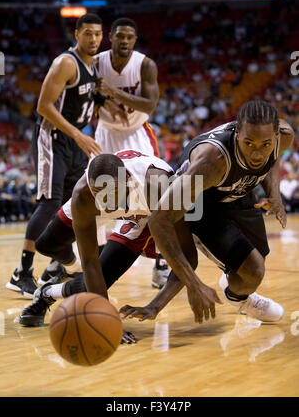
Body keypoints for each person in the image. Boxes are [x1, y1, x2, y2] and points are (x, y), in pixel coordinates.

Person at [119, 100, 295, 324]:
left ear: (277, 135)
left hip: (238, 191)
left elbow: (273, 159)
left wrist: (275, 195)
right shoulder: (211, 162)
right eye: (249, 143)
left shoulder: (284, 135)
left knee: (255, 266)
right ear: (237, 132)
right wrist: (191, 287)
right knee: (253, 270)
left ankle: (235, 288)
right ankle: (242, 300)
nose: (257, 154)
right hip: (202, 201)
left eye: (265, 144)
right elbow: (159, 220)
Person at [6, 14, 127, 298]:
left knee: (74, 205)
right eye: (88, 33)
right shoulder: (66, 63)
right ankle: (21, 273)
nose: (94, 39)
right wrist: (78, 135)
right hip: (54, 137)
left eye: (98, 34)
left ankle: (56, 265)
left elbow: (86, 96)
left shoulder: (92, 65)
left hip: (75, 140)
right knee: (49, 203)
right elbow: (44, 106)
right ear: (76, 34)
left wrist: (108, 103)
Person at [18, 150, 182, 343]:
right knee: (46, 245)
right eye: (101, 194)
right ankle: (71, 269)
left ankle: (48, 293)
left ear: (125, 181)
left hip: (140, 212)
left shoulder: (157, 183)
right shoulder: (85, 193)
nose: (107, 202)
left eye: (110, 194)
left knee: (98, 279)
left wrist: (107, 321)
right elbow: (89, 261)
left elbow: (185, 253)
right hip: (104, 194)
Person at [93, 17, 169, 289]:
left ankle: (161, 262)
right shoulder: (95, 62)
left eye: (130, 37)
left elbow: (149, 104)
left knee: (155, 199)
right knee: (97, 198)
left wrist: (111, 92)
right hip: (104, 134)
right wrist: (101, 101)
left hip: (137, 134)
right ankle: (101, 258)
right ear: (110, 36)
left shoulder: (145, 65)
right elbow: (85, 94)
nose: (124, 41)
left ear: (134, 40)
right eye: (120, 36)